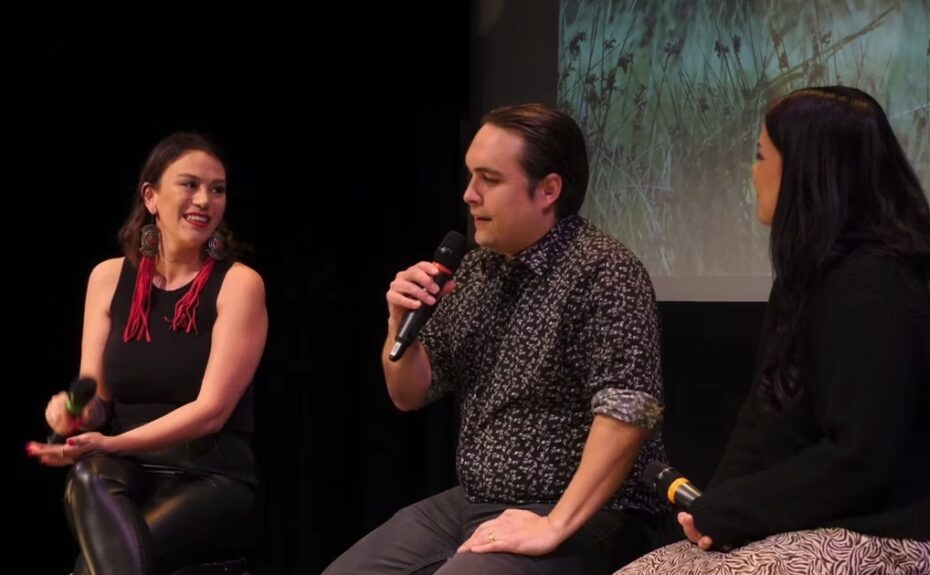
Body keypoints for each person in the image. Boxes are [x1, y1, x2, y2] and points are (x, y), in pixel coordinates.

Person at [616, 86, 930, 574]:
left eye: (761, 156)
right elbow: (759, 420)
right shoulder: (806, 279)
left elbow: (862, 458)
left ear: (806, 170)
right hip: (823, 526)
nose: (753, 171)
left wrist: (736, 510)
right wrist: (712, 514)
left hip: (897, 539)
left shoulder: (873, 282)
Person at [322, 103, 669, 575]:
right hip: (476, 501)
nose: (469, 195)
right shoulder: (477, 269)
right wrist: (398, 323)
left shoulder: (603, 271)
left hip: (579, 511)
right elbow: (409, 394)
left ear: (548, 189)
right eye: (470, 177)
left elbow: (629, 413)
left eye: (490, 179)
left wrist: (555, 524)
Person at [26, 131, 268, 575]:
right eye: (189, 184)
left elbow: (212, 412)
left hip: (208, 473)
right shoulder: (107, 277)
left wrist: (110, 442)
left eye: (217, 189)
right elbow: (98, 401)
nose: (204, 201)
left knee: (91, 568)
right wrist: (74, 416)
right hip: (125, 466)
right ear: (151, 196)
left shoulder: (239, 284)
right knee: (88, 476)